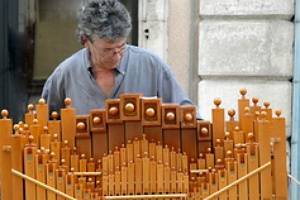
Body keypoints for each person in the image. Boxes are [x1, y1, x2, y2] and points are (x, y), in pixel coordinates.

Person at [42, 0, 193, 115]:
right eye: (107, 50)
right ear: (85, 41)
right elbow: (43, 129)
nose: (117, 55)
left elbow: (188, 117)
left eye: (122, 46)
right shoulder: (64, 75)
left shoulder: (153, 66)